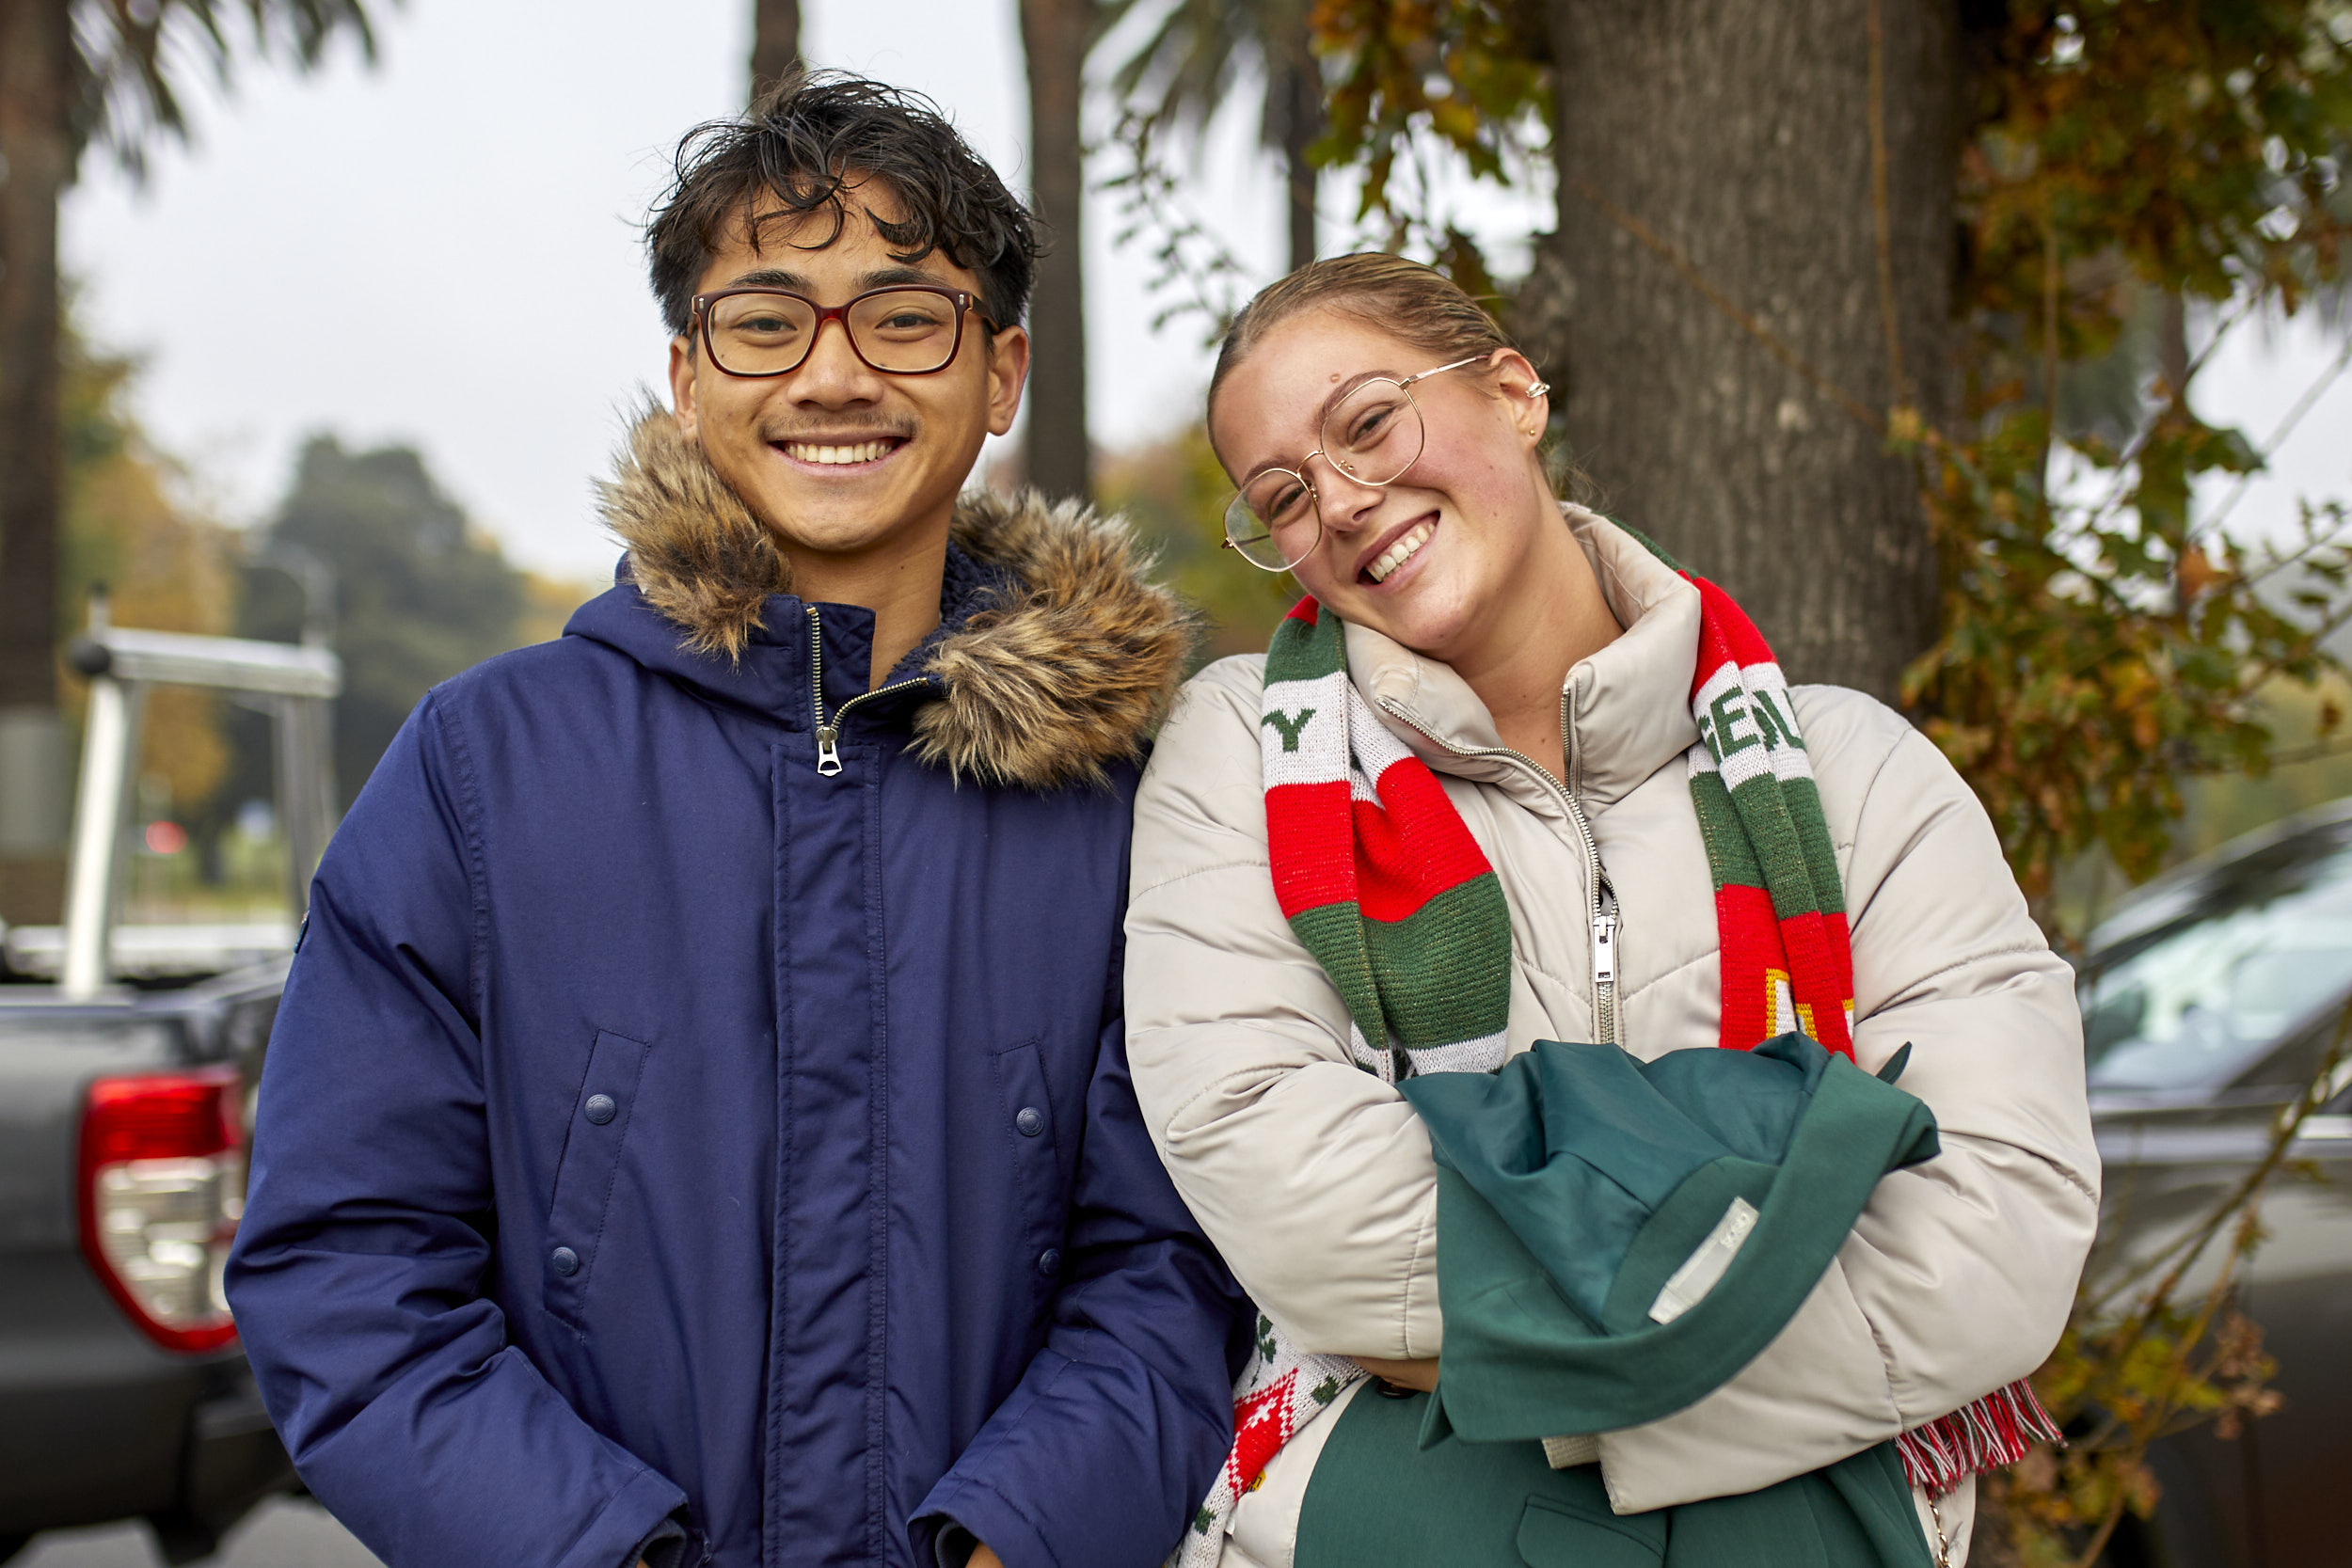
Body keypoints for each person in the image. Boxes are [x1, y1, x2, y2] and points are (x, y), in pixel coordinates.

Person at [226, 71, 1241, 1568]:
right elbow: (345, 1262)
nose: (834, 379)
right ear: (690, 378)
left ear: (1002, 372)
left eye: (905, 319)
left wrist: (1011, 1540)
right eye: (765, 323)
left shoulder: (1129, 799)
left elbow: (1176, 1262)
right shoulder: (480, 773)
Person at [1122, 254, 2098, 1568]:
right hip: (1394, 1521)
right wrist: (1773, 1221)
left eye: (1368, 423)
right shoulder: (1241, 758)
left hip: (1802, 1530)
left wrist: (1519, 1362)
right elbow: (1281, 1191)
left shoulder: (1857, 777)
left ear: (1514, 394)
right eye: (1283, 496)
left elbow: (2005, 1228)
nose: (1343, 502)